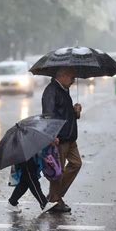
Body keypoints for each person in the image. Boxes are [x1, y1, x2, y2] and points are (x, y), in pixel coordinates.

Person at [41, 68, 82, 213]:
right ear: (62, 76)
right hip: (60, 138)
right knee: (57, 171)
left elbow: (63, 112)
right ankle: (55, 200)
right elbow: (48, 115)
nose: (73, 80)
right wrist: (52, 135)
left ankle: (54, 195)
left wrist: (75, 111)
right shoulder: (51, 91)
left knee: (76, 164)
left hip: (70, 137)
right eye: (72, 77)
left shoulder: (64, 89)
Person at [7, 142, 59, 214]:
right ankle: (44, 203)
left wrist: (42, 157)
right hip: (25, 158)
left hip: (28, 157)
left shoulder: (27, 134)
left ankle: (12, 202)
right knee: (33, 181)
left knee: (24, 183)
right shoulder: (22, 135)